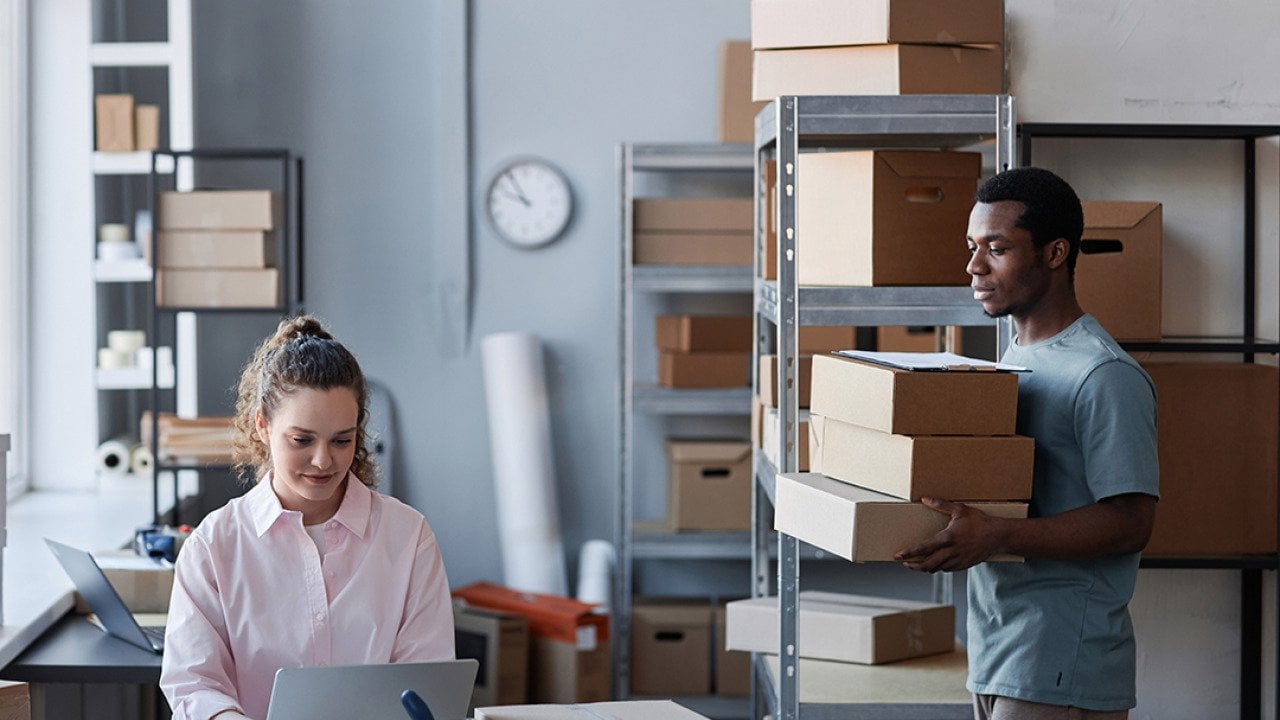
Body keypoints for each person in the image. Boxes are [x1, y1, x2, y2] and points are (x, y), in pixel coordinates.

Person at [894, 167, 1159, 720]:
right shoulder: (1015, 357)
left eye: (997, 248)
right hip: (998, 646)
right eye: (972, 247)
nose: (974, 266)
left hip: (1060, 657)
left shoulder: (1103, 374)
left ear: (1055, 253)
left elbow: (1133, 522)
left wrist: (994, 535)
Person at [160, 316, 455, 720]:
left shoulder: (408, 537)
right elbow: (195, 686)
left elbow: (426, 684)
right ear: (262, 425)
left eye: (342, 440)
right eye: (301, 440)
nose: (323, 461)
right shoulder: (214, 546)